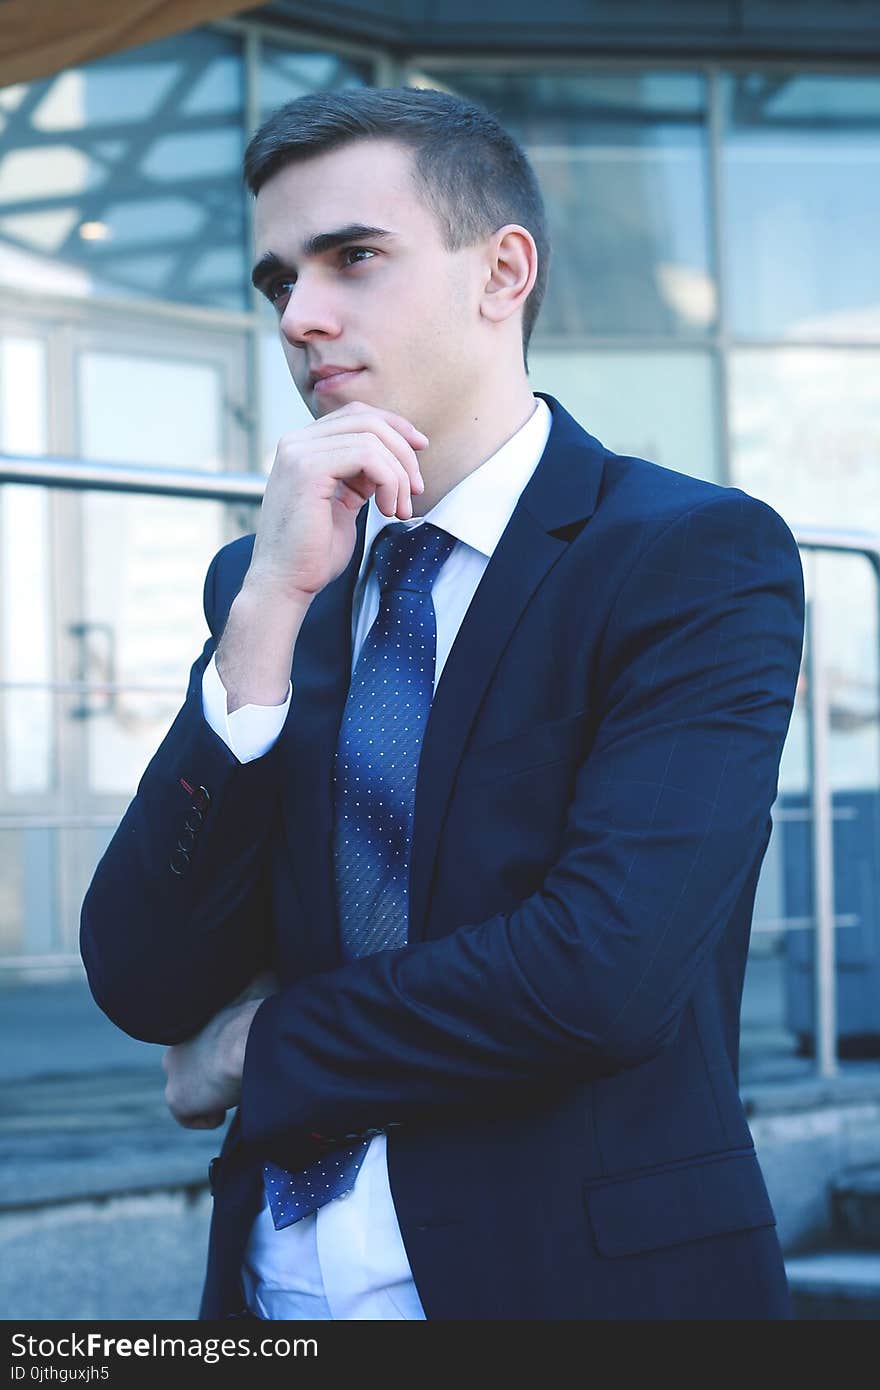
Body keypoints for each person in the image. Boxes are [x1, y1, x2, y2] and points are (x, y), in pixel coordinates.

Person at [80, 86, 805, 1321]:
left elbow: (599, 974)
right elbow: (143, 980)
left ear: (502, 271)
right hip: (269, 1300)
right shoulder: (267, 585)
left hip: (575, 1289)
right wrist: (262, 617)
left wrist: (257, 1048)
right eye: (274, 284)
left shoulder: (688, 557)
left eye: (352, 257)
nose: (301, 317)